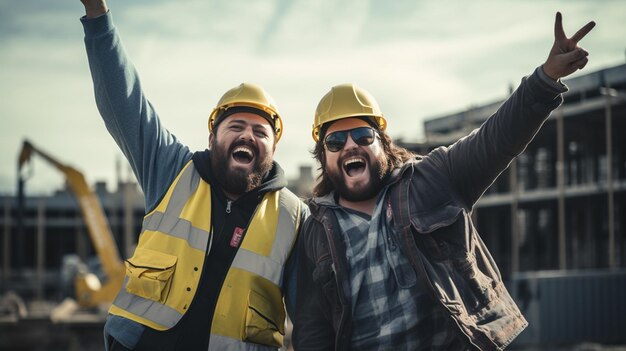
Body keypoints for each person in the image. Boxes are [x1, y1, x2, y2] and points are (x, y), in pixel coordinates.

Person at [293, 13, 595, 351]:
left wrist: (546, 77)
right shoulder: (314, 229)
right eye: (336, 141)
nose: (350, 145)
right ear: (323, 156)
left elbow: (496, 139)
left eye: (363, 135)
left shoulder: (433, 178)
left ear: (382, 142)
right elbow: (311, 328)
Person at [78, 1, 308, 350]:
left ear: (273, 149)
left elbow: (310, 314)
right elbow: (124, 103)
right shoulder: (172, 170)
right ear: (212, 137)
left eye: (261, 132)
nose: (248, 136)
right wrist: (97, 16)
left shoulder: (294, 216)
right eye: (236, 126)